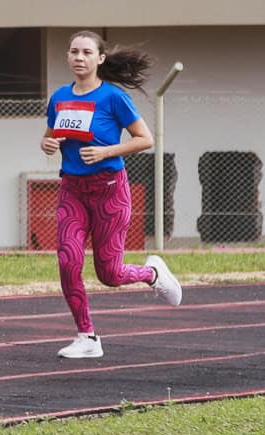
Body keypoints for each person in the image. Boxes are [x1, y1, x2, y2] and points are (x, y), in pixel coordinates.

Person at [41, 29, 184, 359]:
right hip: (72, 191)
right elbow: (50, 138)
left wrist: (106, 152)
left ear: (100, 59)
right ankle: (87, 337)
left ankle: (153, 274)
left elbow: (144, 139)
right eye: (74, 52)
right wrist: (46, 143)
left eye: (87, 52)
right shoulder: (60, 97)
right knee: (68, 261)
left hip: (109, 191)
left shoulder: (113, 98)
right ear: (67, 57)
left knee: (110, 274)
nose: (79, 57)